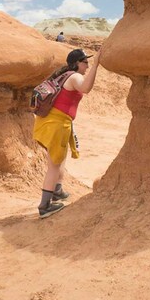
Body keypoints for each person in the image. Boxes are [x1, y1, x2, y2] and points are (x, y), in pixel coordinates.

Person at [32, 48, 101, 218]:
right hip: (57, 124)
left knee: (58, 158)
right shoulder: (75, 76)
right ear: (78, 63)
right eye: (86, 62)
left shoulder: (64, 75)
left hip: (51, 122)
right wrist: (97, 64)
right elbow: (86, 88)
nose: (87, 66)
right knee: (54, 166)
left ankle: (56, 191)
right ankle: (44, 206)